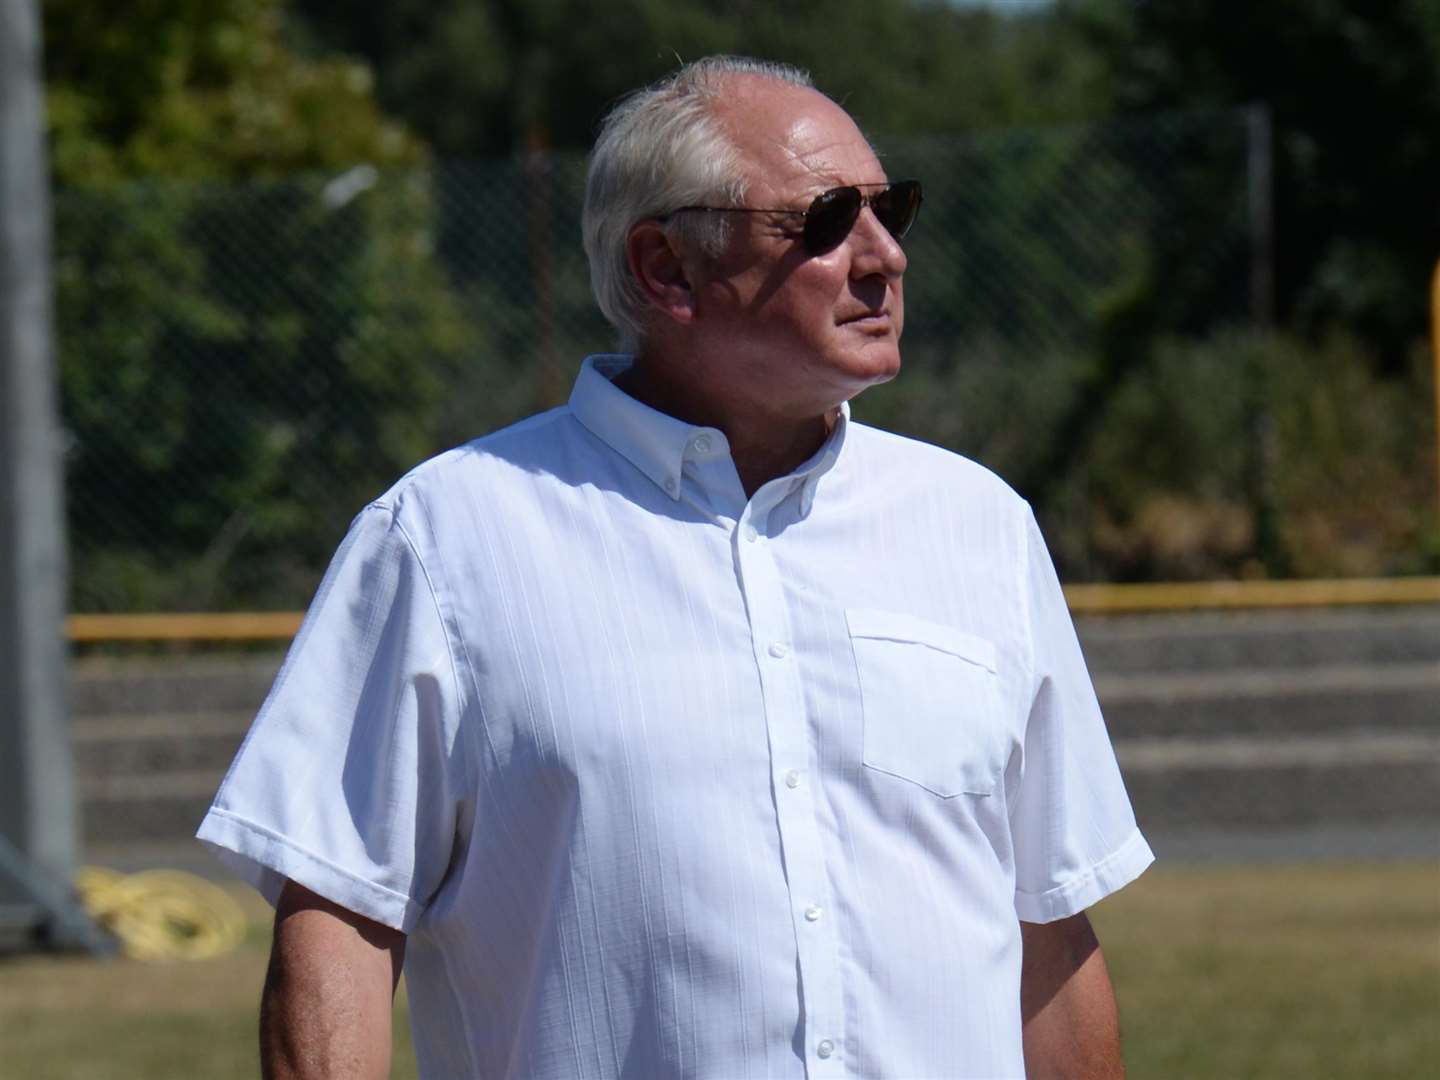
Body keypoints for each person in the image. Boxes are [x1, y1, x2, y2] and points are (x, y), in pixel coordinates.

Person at [199, 55, 1152, 1079]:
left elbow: (1048, 936)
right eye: (827, 220)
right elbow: (337, 917)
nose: (884, 256)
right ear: (665, 268)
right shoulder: (443, 539)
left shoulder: (979, 527)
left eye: (893, 210)